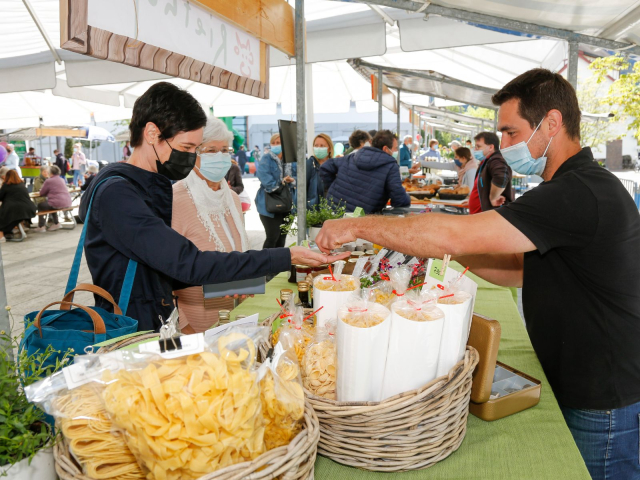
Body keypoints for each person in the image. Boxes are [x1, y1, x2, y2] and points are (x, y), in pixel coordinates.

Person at [316, 68, 640, 480]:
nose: (504, 146)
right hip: (583, 381)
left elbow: (452, 232)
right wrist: (444, 253)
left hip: (602, 398)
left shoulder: (577, 192)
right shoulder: (573, 188)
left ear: (552, 123)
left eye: (510, 133)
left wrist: (359, 226)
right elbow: (518, 269)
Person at [80, 82, 345, 332]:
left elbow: (162, 268)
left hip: (152, 321)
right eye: (186, 147)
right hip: (131, 330)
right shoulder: (118, 195)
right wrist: (286, 257)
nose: (191, 157)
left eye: (196, 148)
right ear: (152, 133)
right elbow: (186, 263)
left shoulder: (146, 186)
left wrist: (231, 280)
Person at [171, 117, 253, 333]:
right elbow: (164, 271)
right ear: (193, 154)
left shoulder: (232, 200)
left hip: (235, 317)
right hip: (195, 326)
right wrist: (183, 327)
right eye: (210, 150)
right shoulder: (176, 200)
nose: (220, 156)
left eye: (224, 149)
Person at [319, 130, 411, 214]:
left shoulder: (353, 156)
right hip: (361, 220)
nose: (396, 151)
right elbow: (399, 199)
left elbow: (325, 167)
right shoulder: (390, 165)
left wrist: (334, 188)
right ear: (385, 149)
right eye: (395, 148)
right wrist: (407, 198)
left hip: (333, 212)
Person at [255, 133, 296, 249]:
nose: (275, 145)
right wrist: (281, 183)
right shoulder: (266, 158)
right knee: (272, 236)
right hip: (269, 204)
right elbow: (264, 177)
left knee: (282, 237)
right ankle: (265, 264)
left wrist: (292, 180)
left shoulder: (291, 159)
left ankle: (279, 264)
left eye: (278, 143)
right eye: (273, 143)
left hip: (288, 203)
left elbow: (301, 175)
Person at [468, 131, 513, 214]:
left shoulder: (496, 160)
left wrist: (493, 197)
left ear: (491, 147)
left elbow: (501, 177)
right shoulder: (487, 161)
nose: (475, 150)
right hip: (479, 217)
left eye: (478, 147)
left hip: (488, 218)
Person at [0, 170, 36, 242]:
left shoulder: (6, 185)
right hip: (29, 208)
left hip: (14, 208)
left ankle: (1, 237)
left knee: (2, 217)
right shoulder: (22, 184)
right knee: (14, 217)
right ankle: (10, 233)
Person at [33, 165, 72, 233]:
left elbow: (42, 193)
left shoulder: (49, 181)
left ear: (50, 172)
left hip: (57, 204)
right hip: (67, 202)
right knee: (52, 204)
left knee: (41, 205)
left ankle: (41, 226)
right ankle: (56, 223)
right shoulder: (62, 179)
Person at [303, 133, 334, 207]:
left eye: (322, 146)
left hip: (331, 209)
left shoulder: (334, 166)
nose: (318, 148)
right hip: (314, 210)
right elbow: (302, 190)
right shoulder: (309, 164)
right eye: (316, 146)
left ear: (329, 148)